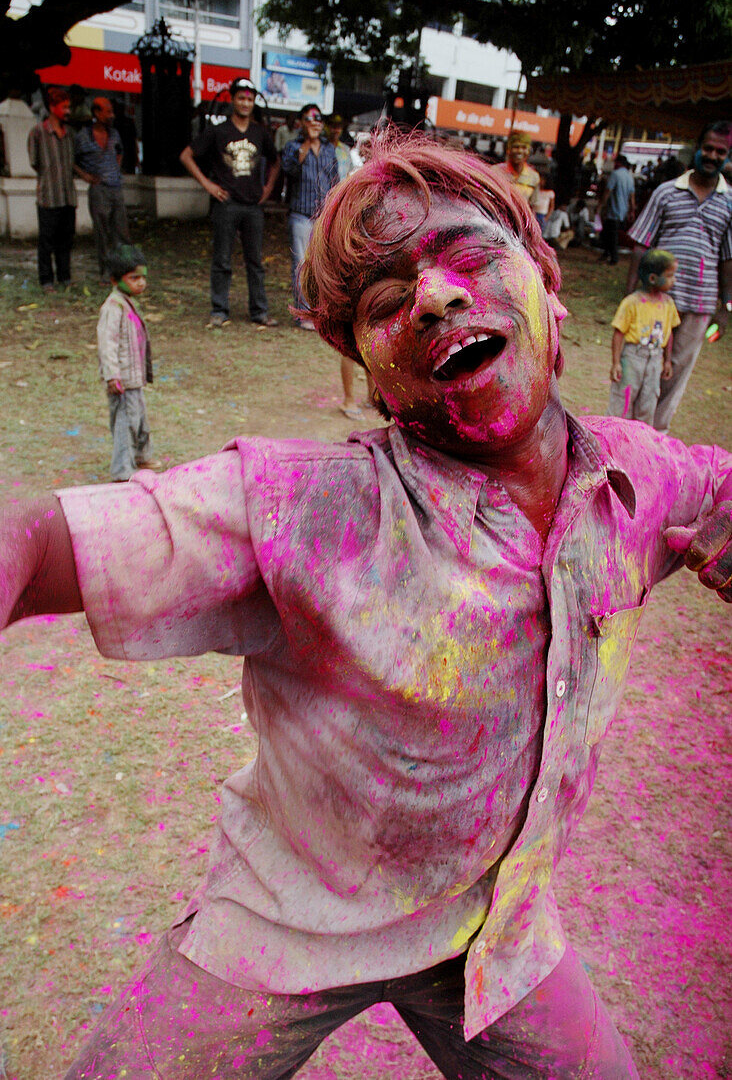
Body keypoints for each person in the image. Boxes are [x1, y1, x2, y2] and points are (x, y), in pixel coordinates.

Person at [3, 133, 732, 1080]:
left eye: (469, 258)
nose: (431, 296)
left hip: (492, 934)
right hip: (287, 923)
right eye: (387, 301)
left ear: (547, 281)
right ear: (366, 367)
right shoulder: (302, 507)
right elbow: (41, 539)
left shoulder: (645, 482)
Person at [626, 121, 732, 433]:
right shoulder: (666, 192)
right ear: (697, 149)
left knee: (677, 373)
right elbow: (640, 246)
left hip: (700, 303)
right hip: (657, 300)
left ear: (727, 156)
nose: (712, 155)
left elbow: (728, 259)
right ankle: (632, 433)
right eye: (708, 148)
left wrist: (726, 307)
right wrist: (631, 293)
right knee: (645, 365)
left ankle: (658, 437)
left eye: (720, 151)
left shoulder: (729, 202)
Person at [179, 77, 280, 330]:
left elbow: (276, 161)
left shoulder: (260, 132)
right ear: (233, 99)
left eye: (249, 98)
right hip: (227, 203)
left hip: (252, 205)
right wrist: (208, 185)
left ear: (254, 101)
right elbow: (186, 155)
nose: (245, 103)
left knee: (255, 261)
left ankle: (259, 311)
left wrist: (267, 188)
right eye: (241, 98)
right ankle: (219, 310)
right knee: (222, 259)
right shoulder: (218, 130)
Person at [97, 245, 161, 482]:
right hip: (122, 379)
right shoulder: (112, 308)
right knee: (126, 423)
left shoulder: (128, 303)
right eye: (134, 278)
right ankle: (122, 469)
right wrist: (112, 375)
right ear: (115, 280)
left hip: (134, 378)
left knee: (140, 419)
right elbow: (107, 344)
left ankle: (142, 456)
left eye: (143, 277)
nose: (141, 283)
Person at [281, 103, 339, 330]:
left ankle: (320, 311)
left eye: (318, 119)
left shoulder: (328, 149)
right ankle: (304, 314)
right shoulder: (293, 146)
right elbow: (290, 171)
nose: (315, 123)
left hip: (323, 216)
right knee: (301, 264)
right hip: (301, 215)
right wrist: (305, 145)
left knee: (322, 265)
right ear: (302, 123)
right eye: (309, 119)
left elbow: (335, 180)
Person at [608, 248, 679, 425]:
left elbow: (669, 334)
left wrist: (667, 360)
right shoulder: (632, 303)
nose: (674, 280)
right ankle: (618, 439)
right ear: (653, 278)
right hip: (632, 359)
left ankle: (640, 442)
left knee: (648, 402)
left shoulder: (669, 304)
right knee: (623, 400)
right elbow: (619, 333)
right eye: (669, 275)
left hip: (655, 359)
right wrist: (616, 363)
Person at [74, 97, 131, 282]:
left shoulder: (114, 134)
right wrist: (85, 175)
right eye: (107, 111)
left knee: (121, 231)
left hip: (116, 188)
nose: (111, 115)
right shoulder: (83, 136)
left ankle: (123, 270)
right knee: (102, 231)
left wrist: (115, 168)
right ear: (96, 113)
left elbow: (120, 151)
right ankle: (106, 272)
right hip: (98, 189)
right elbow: (72, 161)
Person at [27, 86, 77, 292]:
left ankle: (65, 276)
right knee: (47, 242)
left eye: (69, 107)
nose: (68, 111)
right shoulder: (38, 132)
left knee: (65, 240)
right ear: (52, 107)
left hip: (67, 195)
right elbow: (34, 161)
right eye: (64, 107)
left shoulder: (69, 134)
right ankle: (46, 279)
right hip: (49, 195)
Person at [598, 155, 636, 265]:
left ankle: (613, 257)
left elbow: (607, 192)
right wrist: (632, 211)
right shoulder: (630, 177)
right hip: (623, 211)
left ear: (619, 163)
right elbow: (632, 196)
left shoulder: (615, 174)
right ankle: (607, 253)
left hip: (613, 210)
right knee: (611, 233)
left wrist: (601, 206)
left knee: (611, 235)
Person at [492, 129, 540, 207]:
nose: (520, 151)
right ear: (508, 150)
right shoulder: (495, 171)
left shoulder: (534, 177)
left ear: (528, 151)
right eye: (516, 147)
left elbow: (532, 206)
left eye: (524, 147)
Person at [325, 113, 353, 182]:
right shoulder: (321, 147)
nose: (336, 130)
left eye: (339, 127)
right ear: (327, 127)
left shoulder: (345, 149)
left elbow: (350, 171)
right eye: (333, 127)